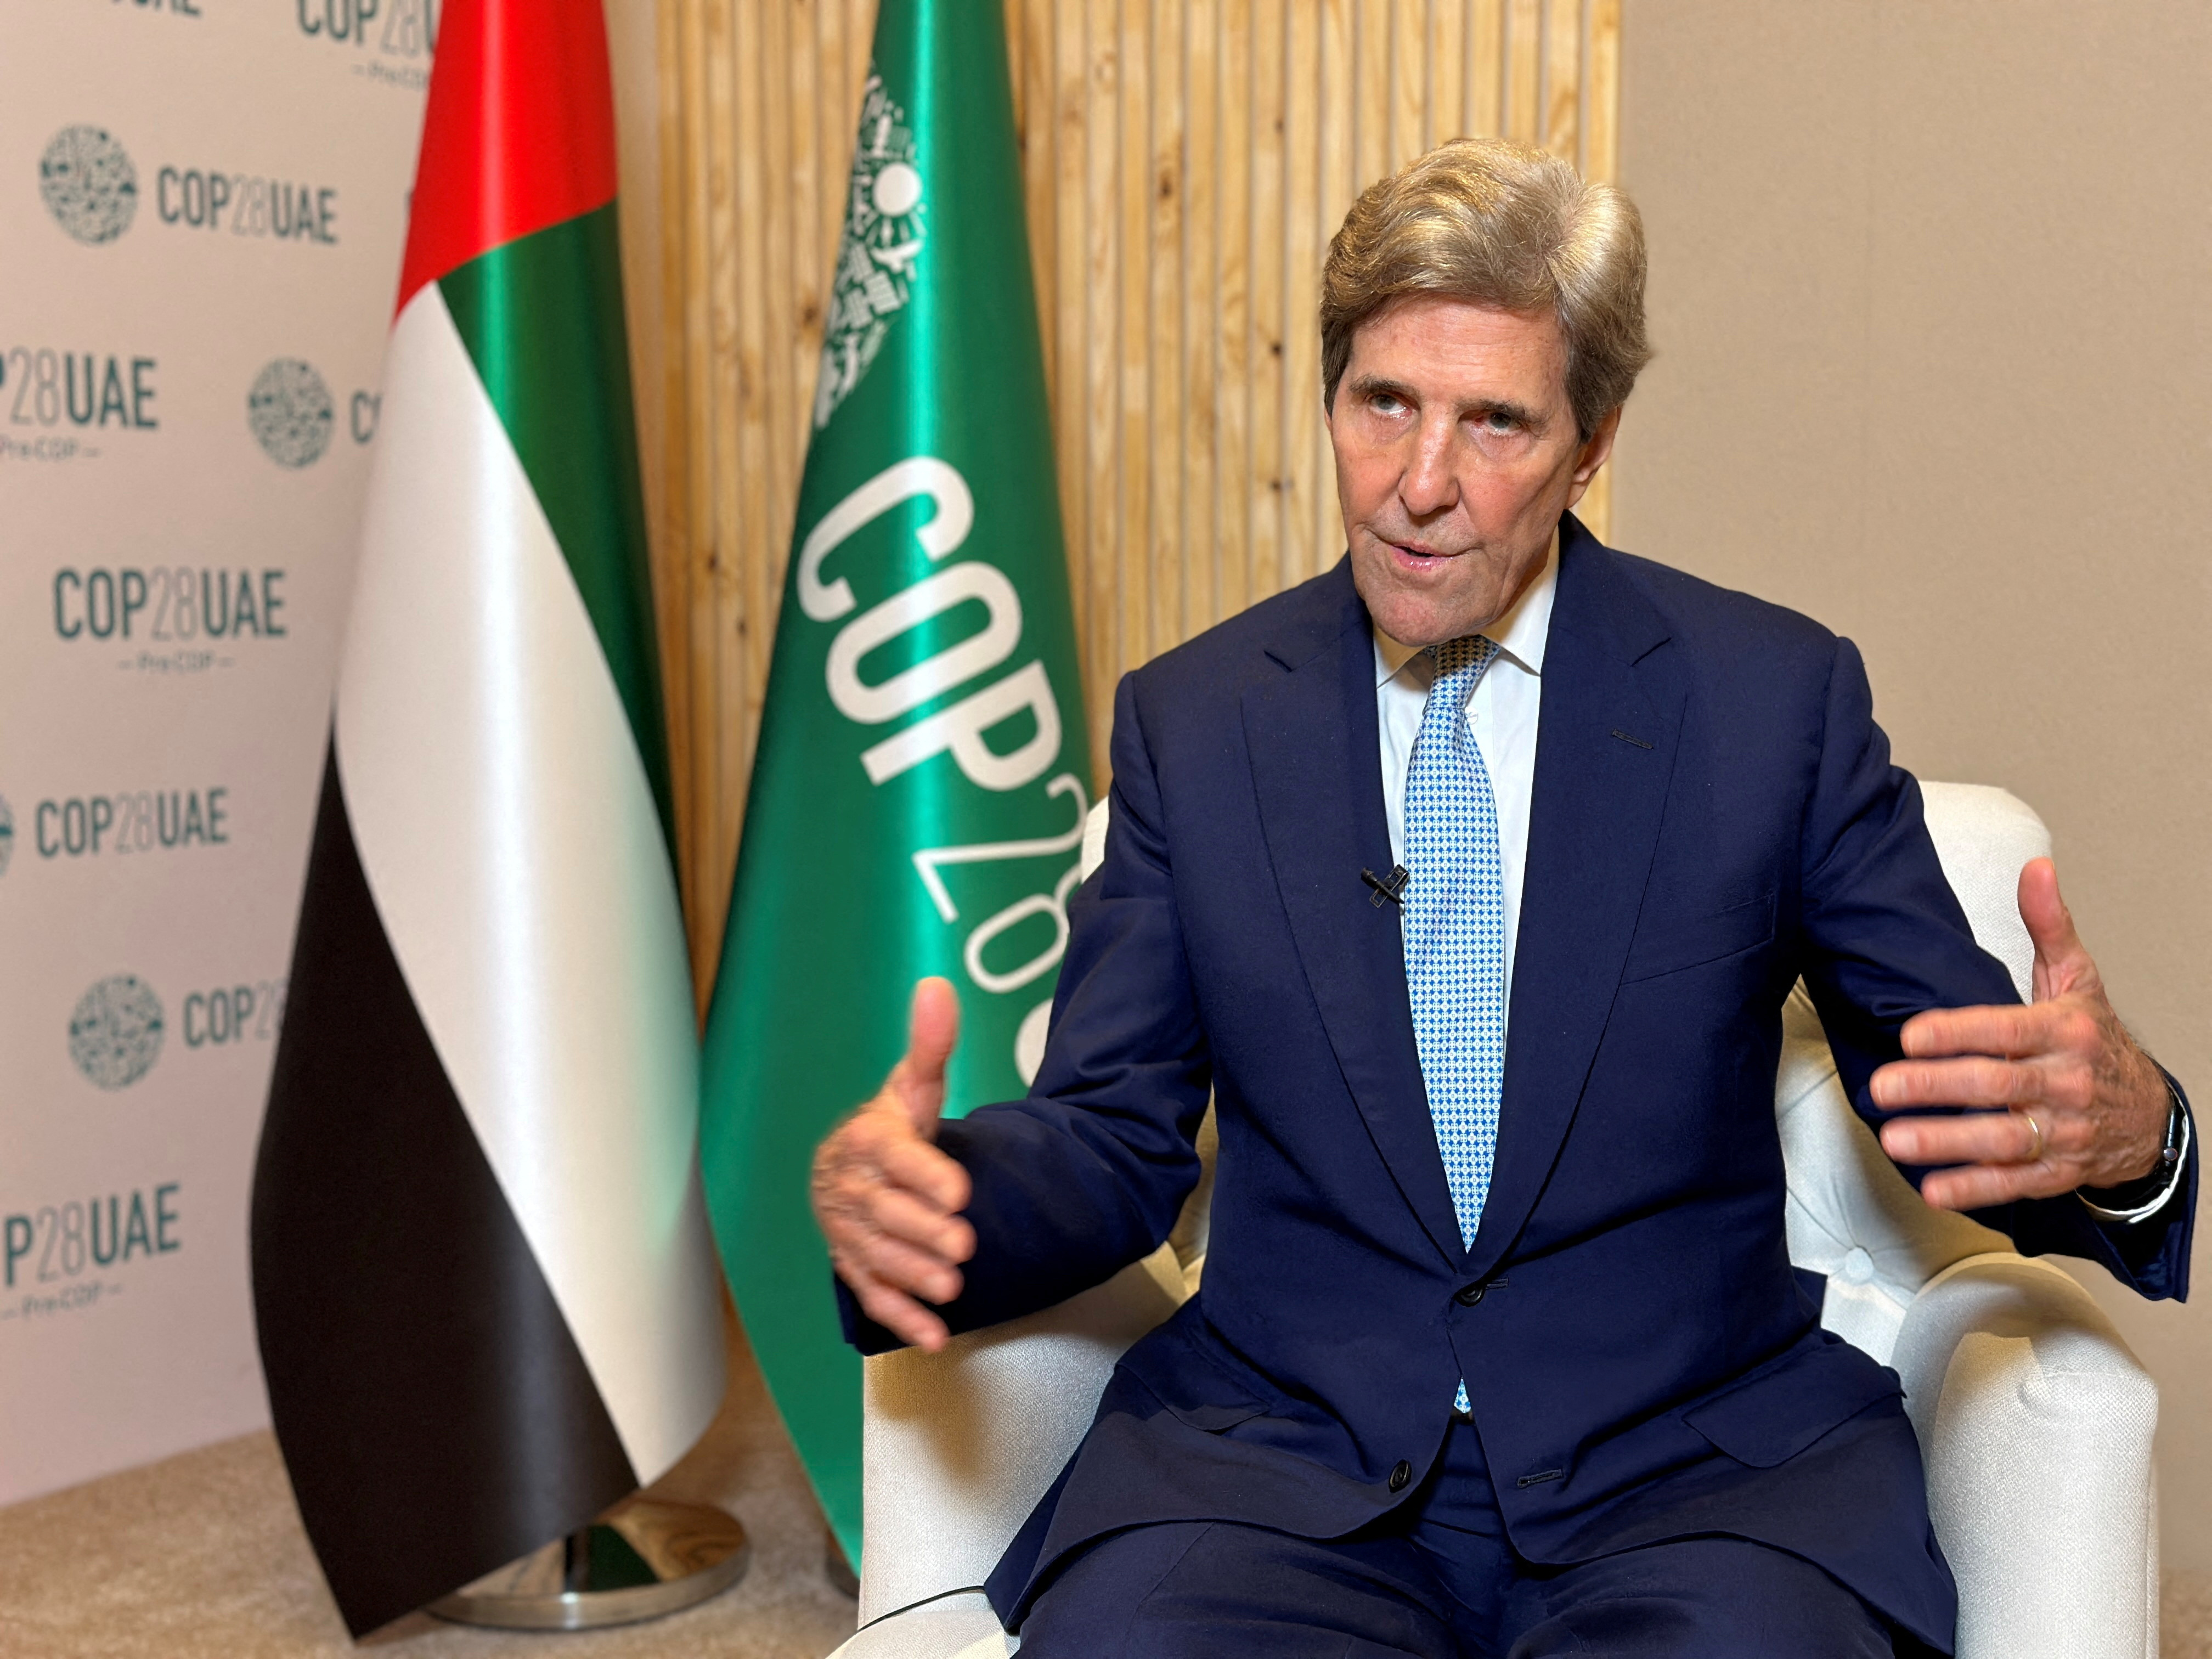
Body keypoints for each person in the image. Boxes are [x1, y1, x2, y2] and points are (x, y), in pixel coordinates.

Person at [809, 138, 2196, 1657]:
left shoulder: (1767, 706)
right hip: (1279, 1474)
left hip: (1694, 1480)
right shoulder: (1195, 727)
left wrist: (2133, 1144)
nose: (1420, 485)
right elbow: (1115, 1135)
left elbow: (1962, 1094)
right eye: (1384, 402)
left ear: (1591, 441)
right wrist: (946, 1198)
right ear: (1332, 395)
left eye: (1495, 425)